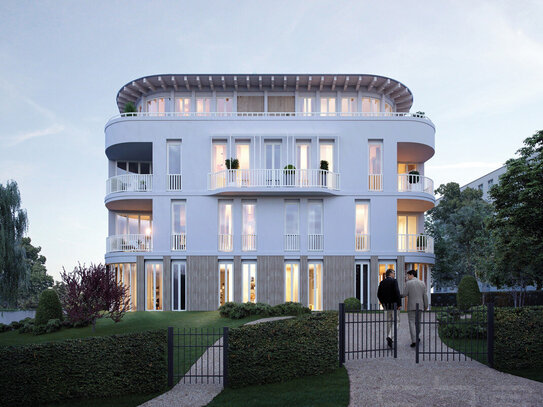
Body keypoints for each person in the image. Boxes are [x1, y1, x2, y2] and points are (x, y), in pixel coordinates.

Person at [403, 269, 428, 347]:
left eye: (408, 275)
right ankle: (417, 336)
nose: (407, 277)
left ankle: (414, 340)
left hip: (411, 306)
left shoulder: (408, 283)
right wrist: (426, 305)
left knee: (411, 322)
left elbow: (405, 294)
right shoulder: (422, 283)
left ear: (412, 275)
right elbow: (425, 296)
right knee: (418, 322)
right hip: (420, 305)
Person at [377, 268, 401, 348]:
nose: (394, 275)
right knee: (397, 321)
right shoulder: (394, 281)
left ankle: (389, 338)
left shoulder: (382, 282)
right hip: (394, 306)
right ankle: (390, 337)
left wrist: (383, 304)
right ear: (390, 274)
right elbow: (397, 292)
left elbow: (378, 294)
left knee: (388, 323)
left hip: (386, 306)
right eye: (393, 273)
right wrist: (399, 304)